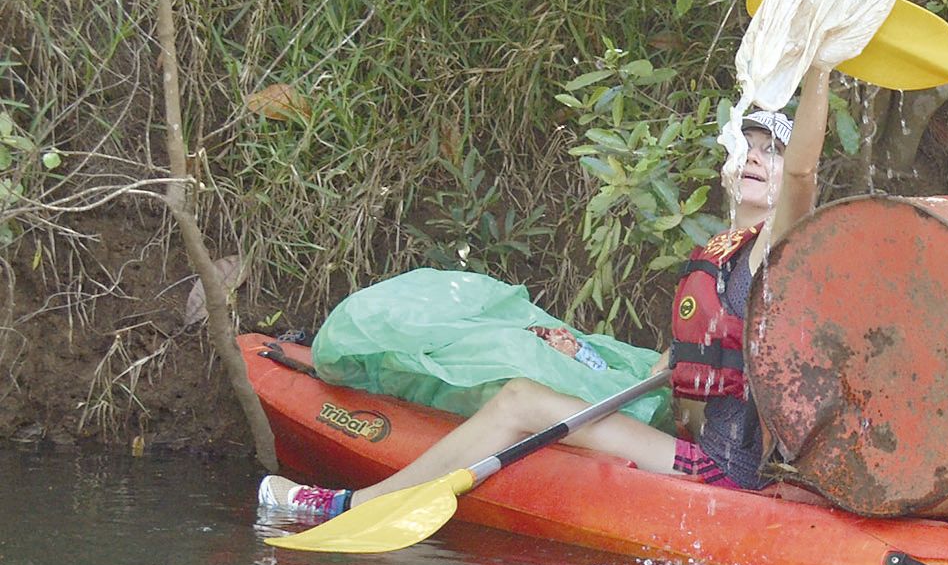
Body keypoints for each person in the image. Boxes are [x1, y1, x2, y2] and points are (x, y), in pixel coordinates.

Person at [256, 64, 833, 521]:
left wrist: (822, 70)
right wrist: (586, 359)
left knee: (522, 400)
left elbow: (804, 176)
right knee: (538, 384)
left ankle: (350, 505)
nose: (758, 156)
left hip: (724, 470)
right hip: (697, 443)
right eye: (751, 145)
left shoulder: (775, 251)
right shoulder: (724, 250)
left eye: (774, 151)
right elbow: (682, 369)